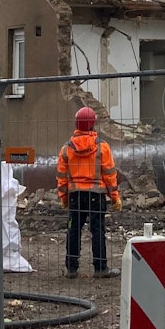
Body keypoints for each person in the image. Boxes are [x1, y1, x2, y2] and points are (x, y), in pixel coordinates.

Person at [56, 106, 121, 279]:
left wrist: (63, 197)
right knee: (98, 230)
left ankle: (71, 269)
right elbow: (109, 174)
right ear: (93, 124)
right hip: (96, 195)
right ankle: (100, 268)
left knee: (73, 230)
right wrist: (115, 197)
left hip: (75, 196)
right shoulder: (102, 147)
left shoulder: (66, 148)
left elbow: (61, 177)